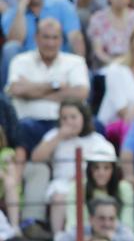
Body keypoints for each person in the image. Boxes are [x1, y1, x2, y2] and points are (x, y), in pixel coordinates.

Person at [5, 18, 89, 155]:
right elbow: (16, 89)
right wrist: (56, 86)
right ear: (36, 38)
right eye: (46, 37)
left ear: (61, 40)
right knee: (22, 128)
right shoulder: (20, 61)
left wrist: (31, 90)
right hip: (31, 124)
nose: (50, 43)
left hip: (67, 122)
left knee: (95, 125)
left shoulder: (75, 62)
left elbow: (80, 93)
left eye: (55, 38)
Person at [29, 101, 111, 232]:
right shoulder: (54, 135)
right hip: (62, 183)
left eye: (73, 117)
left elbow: (108, 162)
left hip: (90, 183)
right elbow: (36, 157)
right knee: (59, 197)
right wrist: (59, 137)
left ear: (83, 117)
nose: (69, 122)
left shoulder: (97, 140)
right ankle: (58, 236)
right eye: (64, 118)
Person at [1, 0, 83, 87]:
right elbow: (15, 42)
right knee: (10, 48)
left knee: (76, 39)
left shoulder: (62, 6)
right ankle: (8, 98)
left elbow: (75, 38)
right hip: (27, 67)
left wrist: (78, 68)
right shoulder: (11, 14)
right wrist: (21, 8)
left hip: (59, 63)